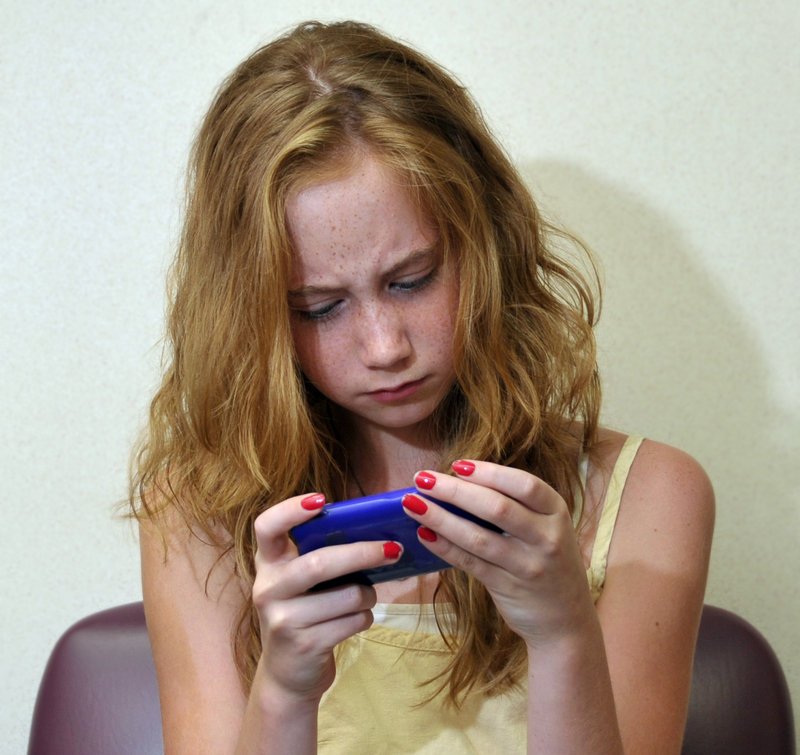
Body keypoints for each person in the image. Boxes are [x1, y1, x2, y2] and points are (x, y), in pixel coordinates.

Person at [131, 19, 715, 754]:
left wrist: (563, 632)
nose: (384, 347)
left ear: (487, 243)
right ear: (252, 315)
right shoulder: (196, 513)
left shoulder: (649, 496)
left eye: (412, 280)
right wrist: (282, 693)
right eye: (320, 307)